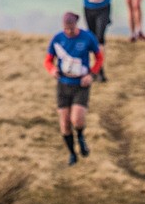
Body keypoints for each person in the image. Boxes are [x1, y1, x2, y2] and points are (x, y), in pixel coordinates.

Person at [44, 12, 103, 166]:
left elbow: (99, 57)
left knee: (76, 119)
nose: (68, 31)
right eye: (66, 28)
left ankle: (81, 136)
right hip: (63, 85)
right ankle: (72, 153)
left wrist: (92, 74)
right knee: (64, 123)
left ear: (75, 25)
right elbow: (48, 60)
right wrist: (52, 70)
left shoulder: (87, 37)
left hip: (81, 85)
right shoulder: (57, 39)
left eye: (71, 28)